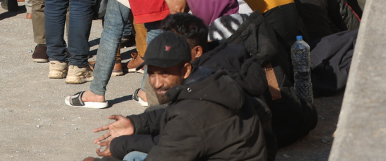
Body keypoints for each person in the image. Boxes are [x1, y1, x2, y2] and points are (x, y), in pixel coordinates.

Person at [91, 31, 269, 161]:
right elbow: (176, 125)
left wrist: (119, 146)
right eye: (152, 73)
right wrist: (136, 124)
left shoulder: (190, 116)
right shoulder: (208, 80)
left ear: (185, 70)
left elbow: (168, 146)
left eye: (165, 74)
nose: (157, 82)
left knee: (130, 157)